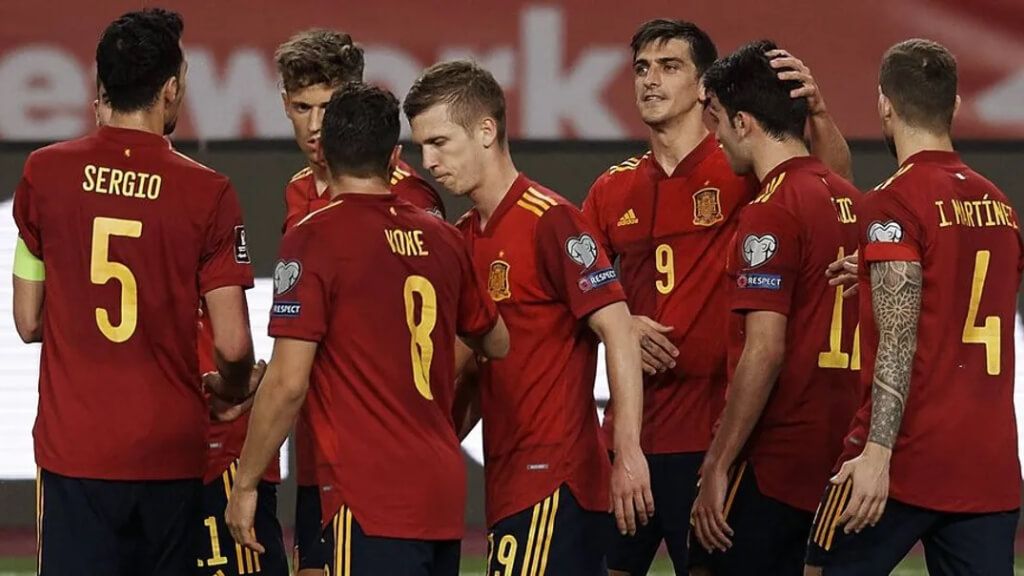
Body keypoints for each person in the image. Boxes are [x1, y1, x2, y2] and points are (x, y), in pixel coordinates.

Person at [581, 19, 853, 575]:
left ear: (704, 86)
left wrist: (820, 114)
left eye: (669, 67)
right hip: (631, 435)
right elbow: (572, 287)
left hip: (710, 432)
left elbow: (827, 183)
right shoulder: (611, 189)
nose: (650, 80)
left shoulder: (740, 164)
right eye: (641, 69)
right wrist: (620, 323)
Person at [12, 9, 260, 575]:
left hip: (75, 451)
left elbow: (28, 320)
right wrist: (234, 388)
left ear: (102, 86)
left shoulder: (43, 173)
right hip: (169, 454)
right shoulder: (209, 192)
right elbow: (232, 344)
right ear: (170, 89)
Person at [225, 82, 509, 576]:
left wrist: (245, 482)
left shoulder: (313, 237)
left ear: (325, 154)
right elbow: (498, 341)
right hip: (440, 493)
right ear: (395, 157)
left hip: (367, 495)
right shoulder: (444, 239)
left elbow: (288, 382)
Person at [404, 60, 653, 576]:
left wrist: (627, 452)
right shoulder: (463, 236)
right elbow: (474, 372)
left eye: (440, 142)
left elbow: (618, 329)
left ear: (486, 131)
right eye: (422, 146)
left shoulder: (550, 220)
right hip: (510, 480)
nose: (428, 161)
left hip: (554, 479)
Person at [805, 38, 1023, 576]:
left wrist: (877, 453)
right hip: (987, 465)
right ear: (954, 105)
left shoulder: (892, 202)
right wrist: (877, 269)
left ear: (884, 103)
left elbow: (899, 339)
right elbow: (966, 287)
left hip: (903, 455)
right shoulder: (1000, 206)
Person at [271, 29, 447, 574]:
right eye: (302, 107)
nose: (315, 125)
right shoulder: (298, 191)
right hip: (319, 453)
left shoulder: (408, 197)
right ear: (284, 105)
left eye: (327, 107)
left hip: (379, 464)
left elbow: (451, 335)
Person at [686, 40, 861, 575]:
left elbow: (764, 350)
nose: (715, 136)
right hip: (835, 452)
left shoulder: (770, 209)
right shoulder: (852, 200)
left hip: (775, 456)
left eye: (718, 121)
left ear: (742, 122)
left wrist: (717, 463)